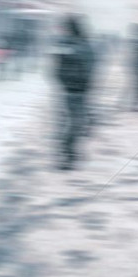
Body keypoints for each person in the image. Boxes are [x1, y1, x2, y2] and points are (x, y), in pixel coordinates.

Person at [52, 15, 96, 170]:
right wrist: (68, 83)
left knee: (76, 124)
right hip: (72, 91)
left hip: (80, 90)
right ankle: (66, 153)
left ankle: (70, 152)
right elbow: (56, 70)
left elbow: (90, 66)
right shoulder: (69, 45)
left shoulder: (80, 44)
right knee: (74, 124)